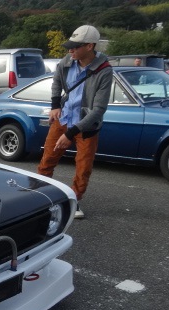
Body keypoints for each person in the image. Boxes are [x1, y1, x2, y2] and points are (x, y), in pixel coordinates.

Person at [36, 25, 112, 219]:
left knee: (83, 167)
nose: (70, 50)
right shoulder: (67, 61)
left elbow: (99, 110)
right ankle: (40, 196)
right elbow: (56, 81)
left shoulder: (104, 70)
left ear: (89, 46)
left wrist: (70, 134)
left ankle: (74, 200)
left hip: (86, 126)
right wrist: (55, 105)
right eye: (69, 46)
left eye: (75, 46)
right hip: (63, 118)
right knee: (47, 159)